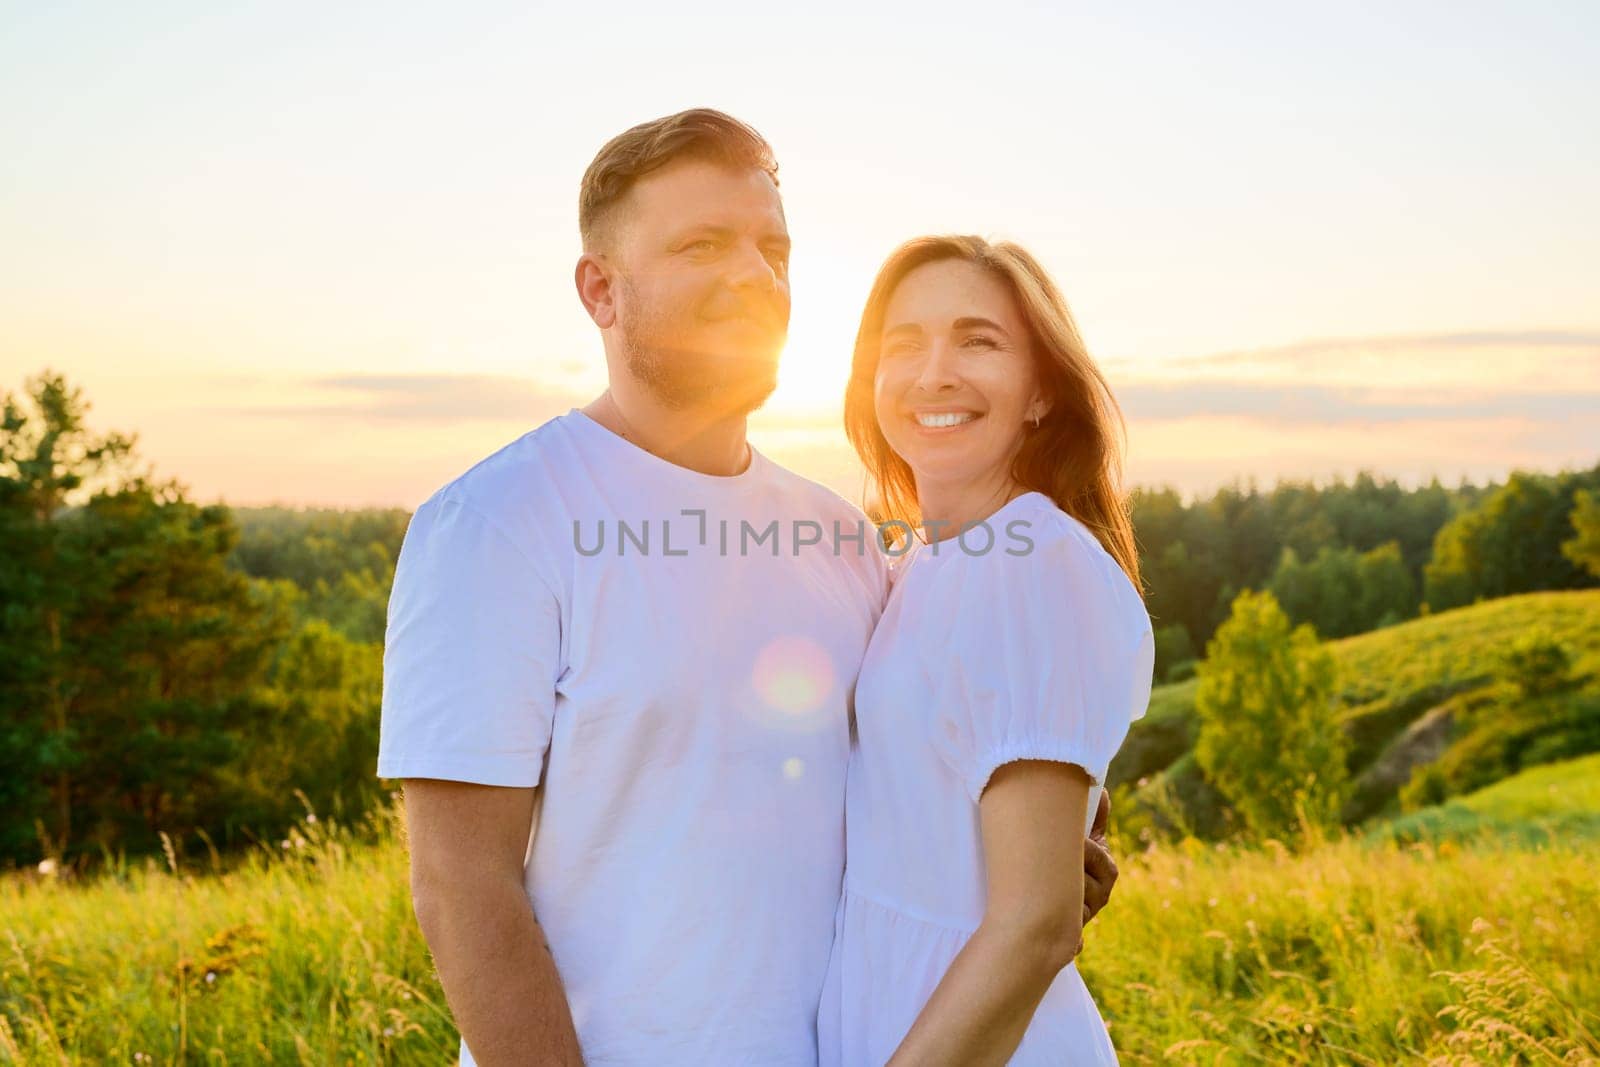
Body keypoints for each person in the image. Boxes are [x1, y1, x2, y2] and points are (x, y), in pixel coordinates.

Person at [377, 110, 1120, 1066]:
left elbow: (934, 764)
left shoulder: (843, 540)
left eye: (774, 247)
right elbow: (461, 884)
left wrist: (1046, 860)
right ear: (600, 290)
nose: (754, 276)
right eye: (702, 245)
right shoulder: (495, 524)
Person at [818, 236, 1155, 1066]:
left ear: (1042, 390)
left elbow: (1037, 923)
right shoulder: (924, 565)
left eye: (978, 340)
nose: (935, 371)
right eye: (905, 343)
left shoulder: (1031, 561)